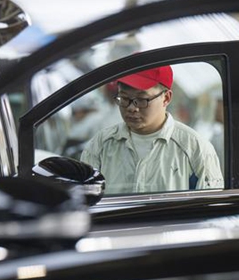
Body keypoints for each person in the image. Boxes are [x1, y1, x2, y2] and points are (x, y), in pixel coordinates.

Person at [80, 65, 223, 195]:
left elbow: (210, 208)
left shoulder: (195, 148)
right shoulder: (101, 145)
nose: (131, 108)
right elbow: (84, 199)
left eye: (141, 100)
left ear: (166, 98)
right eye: (124, 98)